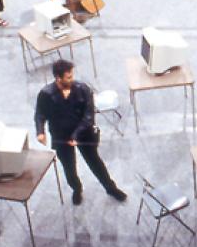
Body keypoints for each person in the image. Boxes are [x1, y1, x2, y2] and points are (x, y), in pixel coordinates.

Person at [34, 60, 127, 205]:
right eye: (68, 77)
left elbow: (88, 116)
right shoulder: (46, 94)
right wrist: (40, 131)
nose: (72, 79)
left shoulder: (83, 89)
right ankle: (77, 189)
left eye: (72, 75)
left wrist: (75, 136)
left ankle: (111, 188)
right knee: (69, 168)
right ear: (58, 78)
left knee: (95, 163)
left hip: (83, 134)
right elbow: (40, 114)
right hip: (61, 137)